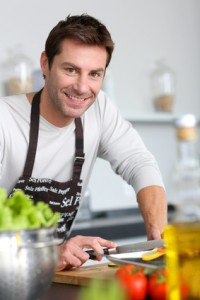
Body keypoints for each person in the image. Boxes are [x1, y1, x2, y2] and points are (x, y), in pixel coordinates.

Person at [0, 14, 168, 270]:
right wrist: (49, 255)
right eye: (71, 70)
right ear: (45, 64)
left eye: (94, 74)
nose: (82, 87)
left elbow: (138, 162)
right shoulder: (5, 121)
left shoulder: (99, 110)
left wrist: (159, 237)